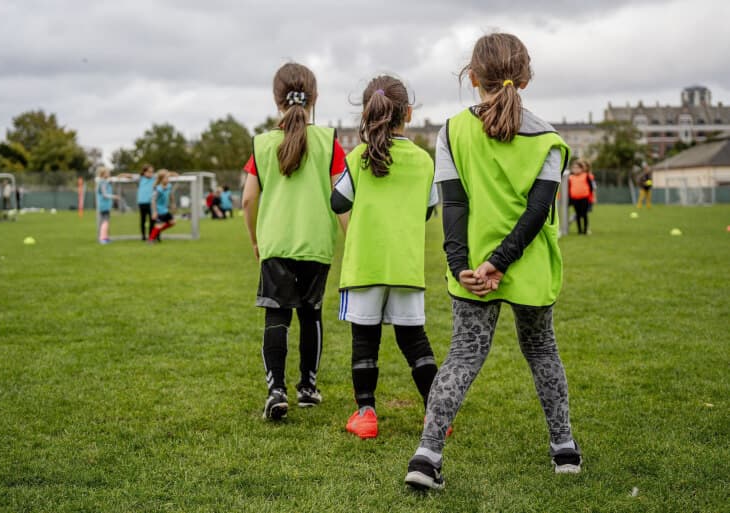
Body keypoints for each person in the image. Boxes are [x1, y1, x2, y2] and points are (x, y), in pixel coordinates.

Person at [404, 33, 581, 491]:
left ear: (473, 76)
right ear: (525, 77)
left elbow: (454, 204)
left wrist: (464, 263)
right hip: (527, 266)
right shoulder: (549, 139)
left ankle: (426, 458)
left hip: (473, 270)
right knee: (542, 350)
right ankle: (564, 449)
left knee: (463, 354)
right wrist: (501, 263)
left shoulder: (450, 130)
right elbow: (537, 212)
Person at [331, 75, 440, 439]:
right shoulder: (424, 161)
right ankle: (437, 415)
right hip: (405, 265)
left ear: (367, 112)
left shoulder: (359, 156)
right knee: (414, 340)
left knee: (365, 340)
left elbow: (338, 201)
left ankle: (366, 415)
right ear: (408, 113)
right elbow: (428, 210)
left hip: (365, 264)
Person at [241, 62, 345, 421]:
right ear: (314, 97)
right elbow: (341, 199)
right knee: (311, 314)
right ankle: (308, 388)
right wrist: (353, 238)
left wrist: (256, 240)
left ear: (276, 99)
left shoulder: (262, 144)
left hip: (276, 244)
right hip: (316, 244)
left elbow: (247, 200)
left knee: (276, 317)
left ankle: (276, 390)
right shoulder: (330, 141)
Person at [148, 169, 177, 242]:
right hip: (159, 211)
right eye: (166, 178)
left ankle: (157, 231)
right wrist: (154, 212)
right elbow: (153, 201)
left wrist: (173, 204)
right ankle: (151, 240)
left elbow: (171, 195)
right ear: (161, 179)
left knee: (172, 222)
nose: (168, 179)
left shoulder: (169, 186)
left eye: (168, 178)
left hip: (165, 210)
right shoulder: (158, 189)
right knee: (158, 225)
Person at [568, 159, 594, 235]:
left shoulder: (586, 176)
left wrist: (590, 197)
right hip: (575, 199)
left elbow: (591, 187)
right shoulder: (570, 177)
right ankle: (579, 231)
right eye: (574, 168)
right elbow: (569, 189)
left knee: (584, 214)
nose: (575, 169)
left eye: (577, 168)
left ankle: (585, 230)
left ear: (581, 169)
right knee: (578, 215)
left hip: (584, 199)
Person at [96, 167, 120, 244]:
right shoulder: (102, 182)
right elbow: (104, 194)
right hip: (104, 206)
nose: (109, 173)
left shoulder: (105, 182)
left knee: (106, 221)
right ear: (103, 174)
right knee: (105, 222)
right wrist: (114, 196)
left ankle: (105, 237)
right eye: (107, 172)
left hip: (106, 205)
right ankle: (102, 238)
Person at [137, 164, 156, 240]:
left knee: (152, 220)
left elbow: (164, 174)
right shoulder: (140, 178)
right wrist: (122, 175)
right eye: (149, 172)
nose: (150, 173)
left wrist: (173, 174)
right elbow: (129, 176)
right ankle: (143, 236)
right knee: (143, 220)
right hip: (142, 202)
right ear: (144, 172)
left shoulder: (154, 178)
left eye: (152, 172)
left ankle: (151, 236)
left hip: (151, 203)